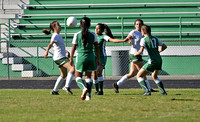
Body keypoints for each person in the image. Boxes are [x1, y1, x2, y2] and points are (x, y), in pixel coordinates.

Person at [112, 19, 156, 93]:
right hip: (135, 55)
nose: (138, 25)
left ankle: (117, 84)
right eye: (137, 24)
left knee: (132, 73)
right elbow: (127, 38)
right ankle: (148, 89)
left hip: (138, 55)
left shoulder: (143, 33)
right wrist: (128, 40)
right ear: (135, 25)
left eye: (140, 24)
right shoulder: (133, 32)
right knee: (142, 72)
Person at [70, 17, 100, 100]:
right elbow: (97, 48)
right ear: (90, 25)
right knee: (88, 77)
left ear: (80, 25)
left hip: (81, 57)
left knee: (77, 77)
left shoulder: (77, 34)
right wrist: (98, 58)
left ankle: (84, 89)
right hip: (91, 57)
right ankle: (88, 96)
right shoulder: (93, 35)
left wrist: (71, 58)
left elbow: (73, 48)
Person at [92, 23, 126, 95]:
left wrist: (123, 40)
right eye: (96, 28)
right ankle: (97, 90)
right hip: (93, 57)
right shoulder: (93, 36)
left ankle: (101, 91)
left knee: (99, 72)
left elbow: (113, 40)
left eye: (98, 29)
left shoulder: (103, 36)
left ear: (102, 30)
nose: (96, 30)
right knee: (94, 75)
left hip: (101, 57)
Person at [43, 20, 75, 95]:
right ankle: (66, 87)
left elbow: (58, 47)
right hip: (60, 57)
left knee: (64, 75)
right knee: (72, 68)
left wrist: (66, 52)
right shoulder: (55, 35)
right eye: (58, 25)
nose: (60, 26)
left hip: (60, 57)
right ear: (54, 27)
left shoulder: (58, 35)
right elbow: (50, 44)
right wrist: (46, 52)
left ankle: (55, 90)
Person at [135, 24, 167, 95]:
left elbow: (140, 51)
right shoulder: (155, 38)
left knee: (138, 76)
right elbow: (164, 46)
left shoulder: (143, 39)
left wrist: (135, 54)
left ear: (143, 31)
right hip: (159, 60)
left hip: (152, 61)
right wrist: (159, 51)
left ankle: (147, 91)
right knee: (154, 76)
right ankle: (163, 92)